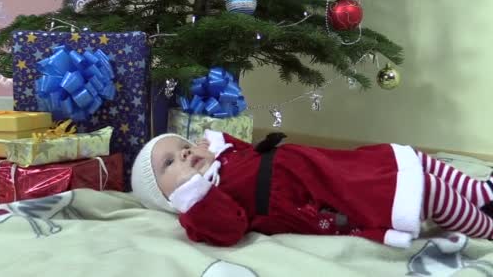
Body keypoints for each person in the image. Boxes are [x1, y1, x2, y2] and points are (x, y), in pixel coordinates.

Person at [131, 130, 493, 248]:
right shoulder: (205, 206)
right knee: (424, 191)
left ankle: (483, 194)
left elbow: (242, 150)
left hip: (333, 166)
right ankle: (486, 227)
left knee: (413, 161)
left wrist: (217, 145)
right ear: (168, 198)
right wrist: (195, 197)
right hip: (329, 196)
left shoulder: (225, 161)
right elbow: (228, 228)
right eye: (168, 164)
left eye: (184, 145)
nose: (183, 153)